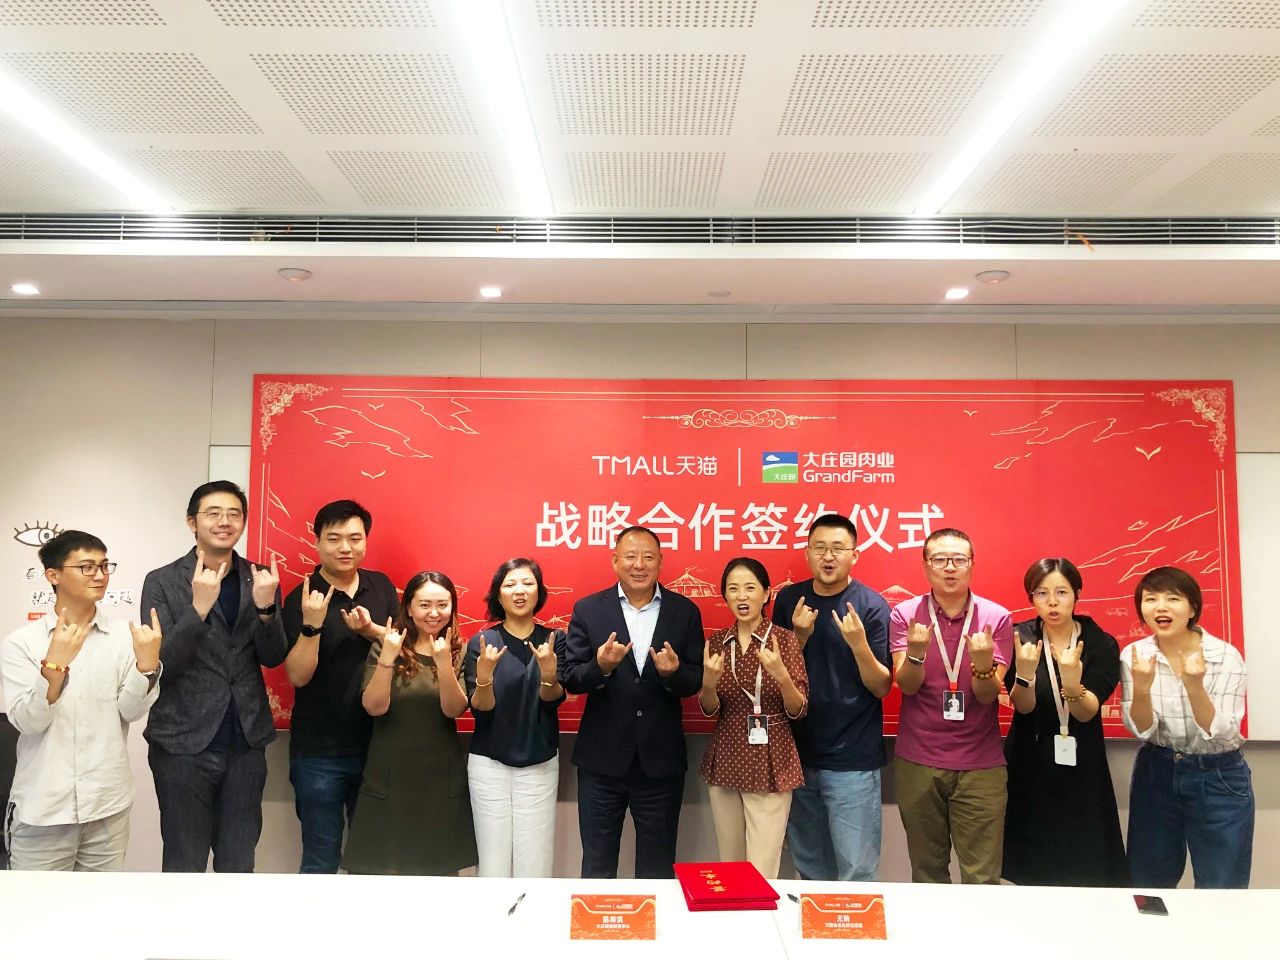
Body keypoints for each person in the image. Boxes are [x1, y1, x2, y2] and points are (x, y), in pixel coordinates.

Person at [141, 480, 286, 872]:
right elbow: (162, 662)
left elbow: (273, 657)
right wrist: (199, 610)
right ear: (192, 522)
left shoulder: (262, 578)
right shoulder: (162, 580)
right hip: (182, 742)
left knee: (238, 860)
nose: (225, 522)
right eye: (213, 513)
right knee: (184, 861)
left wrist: (267, 610)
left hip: (245, 741)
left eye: (234, 514)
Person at [1, 531, 161, 870]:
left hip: (107, 808)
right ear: (53, 575)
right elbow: (28, 722)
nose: (100, 575)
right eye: (87, 567)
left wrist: (147, 668)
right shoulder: (22, 643)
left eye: (104, 566)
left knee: (101, 904)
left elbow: (130, 711)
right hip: (44, 810)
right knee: (35, 903)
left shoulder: (124, 637)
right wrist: (53, 668)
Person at [561, 525, 704, 879]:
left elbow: (695, 680)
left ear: (660, 561)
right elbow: (572, 678)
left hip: (660, 763)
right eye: (630, 556)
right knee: (597, 864)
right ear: (615, 561)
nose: (639, 565)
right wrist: (600, 667)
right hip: (601, 762)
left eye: (648, 557)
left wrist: (672, 674)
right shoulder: (589, 609)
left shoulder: (685, 611)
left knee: (658, 867)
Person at [889, 527, 1012, 884]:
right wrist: (915, 652)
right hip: (918, 760)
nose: (949, 567)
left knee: (982, 876)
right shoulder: (906, 615)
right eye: (940, 559)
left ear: (972, 564)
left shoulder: (995, 618)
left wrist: (984, 664)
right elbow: (906, 685)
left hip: (980, 764)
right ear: (925, 565)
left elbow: (987, 695)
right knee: (927, 873)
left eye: (959, 559)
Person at [771, 513, 891, 881]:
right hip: (797, 756)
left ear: (855, 555)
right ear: (807, 553)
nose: (828, 556)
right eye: (819, 547)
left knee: (856, 870)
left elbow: (881, 686)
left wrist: (858, 644)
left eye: (838, 548)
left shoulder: (871, 605)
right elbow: (775, 677)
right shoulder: (789, 600)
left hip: (852, 759)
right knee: (810, 868)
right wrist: (798, 637)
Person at [281, 499, 398, 873]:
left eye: (355, 538)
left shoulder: (381, 587)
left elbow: (402, 650)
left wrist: (371, 631)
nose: (345, 548)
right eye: (334, 539)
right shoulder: (301, 597)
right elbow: (297, 676)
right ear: (317, 542)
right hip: (319, 752)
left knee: (374, 859)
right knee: (320, 858)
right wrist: (312, 624)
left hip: (378, 746)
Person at [1120, 566, 1252, 888]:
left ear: (1192, 608)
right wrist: (1142, 687)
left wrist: (1194, 687)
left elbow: (1224, 731)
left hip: (1218, 775)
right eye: (1151, 599)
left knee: (1221, 886)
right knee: (1148, 882)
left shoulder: (1225, 657)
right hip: (1157, 771)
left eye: (1172, 598)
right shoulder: (1135, 655)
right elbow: (1141, 729)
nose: (1160, 607)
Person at [1002, 558, 1127, 887]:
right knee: (1030, 862)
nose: (1052, 602)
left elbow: (1086, 712)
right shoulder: (1019, 638)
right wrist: (1025, 676)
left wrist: (1072, 685)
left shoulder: (1100, 643)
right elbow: (1023, 706)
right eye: (1041, 593)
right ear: (1031, 598)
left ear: (1077, 594)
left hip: (1082, 764)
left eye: (1061, 592)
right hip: (1028, 760)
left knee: (1084, 861)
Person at [343, 571, 477, 875]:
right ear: (409, 608)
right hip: (390, 776)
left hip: (439, 779)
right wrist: (388, 658)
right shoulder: (388, 645)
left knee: (439, 873)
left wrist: (443, 664)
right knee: (381, 872)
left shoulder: (459, 649)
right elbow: (374, 707)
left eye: (442, 605)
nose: (434, 613)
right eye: (425, 604)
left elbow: (454, 710)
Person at [699, 557, 807, 879]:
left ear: (766, 593)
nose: (742, 596)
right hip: (727, 753)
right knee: (730, 864)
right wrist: (708, 683)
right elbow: (709, 709)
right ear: (725, 596)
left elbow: (799, 709)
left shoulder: (784, 640)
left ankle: (760, 912)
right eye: (733, 589)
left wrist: (781, 675)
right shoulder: (717, 642)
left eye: (750, 588)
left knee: (762, 866)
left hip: (771, 757)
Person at [463, 558, 565, 877]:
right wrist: (484, 678)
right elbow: (481, 708)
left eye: (527, 583)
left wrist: (549, 674)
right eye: (510, 584)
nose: (519, 591)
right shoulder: (483, 642)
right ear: (498, 594)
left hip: (539, 761)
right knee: (492, 862)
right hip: (489, 763)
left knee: (535, 862)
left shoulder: (554, 640)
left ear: (539, 592)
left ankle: (532, 912)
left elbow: (552, 700)